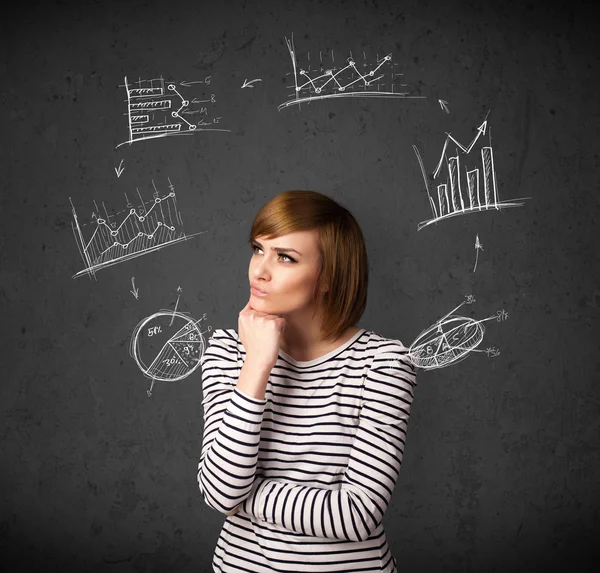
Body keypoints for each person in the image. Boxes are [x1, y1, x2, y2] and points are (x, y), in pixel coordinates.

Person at [197, 190, 417, 572]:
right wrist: (257, 364)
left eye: (285, 257)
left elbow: (356, 514)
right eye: (258, 249)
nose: (259, 270)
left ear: (329, 276)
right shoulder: (227, 351)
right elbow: (218, 492)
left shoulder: (383, 365)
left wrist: (244, 495)